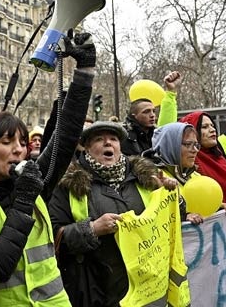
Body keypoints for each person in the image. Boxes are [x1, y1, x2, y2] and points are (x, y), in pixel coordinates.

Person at [0, 31, 95, 306]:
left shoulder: (35, 179)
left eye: (23, 142)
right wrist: (24, 201)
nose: (19, 149)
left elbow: (65, 136)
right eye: (7, 141)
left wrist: (84, 73)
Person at [48, 121, 177, 306]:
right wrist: (92, 229)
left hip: (145, 287)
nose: (108, 143)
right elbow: (53, 235)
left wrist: (171, 195)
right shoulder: (68, 184)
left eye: (113, 139)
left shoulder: (146, 178)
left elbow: (171, 220)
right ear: (87, 148)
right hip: (96, 289)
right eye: (99, 139)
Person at [143, 123, 205, 224]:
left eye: (196, 145)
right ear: (170, 145)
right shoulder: (154, 177)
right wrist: (183, 217)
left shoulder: (195, 176)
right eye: (188, 144)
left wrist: (219, 208)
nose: (195, 150)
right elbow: (154, 220)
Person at [179, 111, 226, 212]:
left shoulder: (219, 157)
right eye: (205, 127)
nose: (212, 130)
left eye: (212, 125)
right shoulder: (191, 162)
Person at [121, 71, 180, 157]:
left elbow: (167, 127)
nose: (152, 115)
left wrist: (171, 91)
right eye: (146, 112)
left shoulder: (156, 135)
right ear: (134, 116)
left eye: (153, 111)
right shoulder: (124, 136)